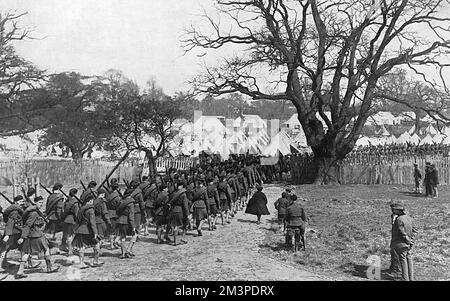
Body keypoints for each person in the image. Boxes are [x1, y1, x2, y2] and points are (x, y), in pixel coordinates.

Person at [16, 196, 60, 279]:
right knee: (46, 249)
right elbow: (28, 225)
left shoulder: (33, 211)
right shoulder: (34, 213)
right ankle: (49, 268)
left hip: (32, 235)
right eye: (40, 202)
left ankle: (20, 271)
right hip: (38, 235)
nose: (41, 204)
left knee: (27, 253)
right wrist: (22, 237)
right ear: (35, 203)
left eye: (42, 203)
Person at [390, 202, 418, 281]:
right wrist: (411, 241)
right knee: (409, 259)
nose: (393, 211)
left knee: (403, 261)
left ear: (397, 210)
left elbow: (401, 232)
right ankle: (411, 278)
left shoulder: (399, 219)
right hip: (409, 243)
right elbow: (415, 231)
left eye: (394, 210)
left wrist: (407, 241)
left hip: (401, 242)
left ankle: (405, 278)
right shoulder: (410, 218)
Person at [60, 188, 80, 256]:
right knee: (71, 236)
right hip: (72, 220)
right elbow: (76, 213)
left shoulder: (67, 201)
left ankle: (65, 247)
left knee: (66, 234)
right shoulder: (75, 202)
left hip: (66, 220)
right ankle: (70, 251)